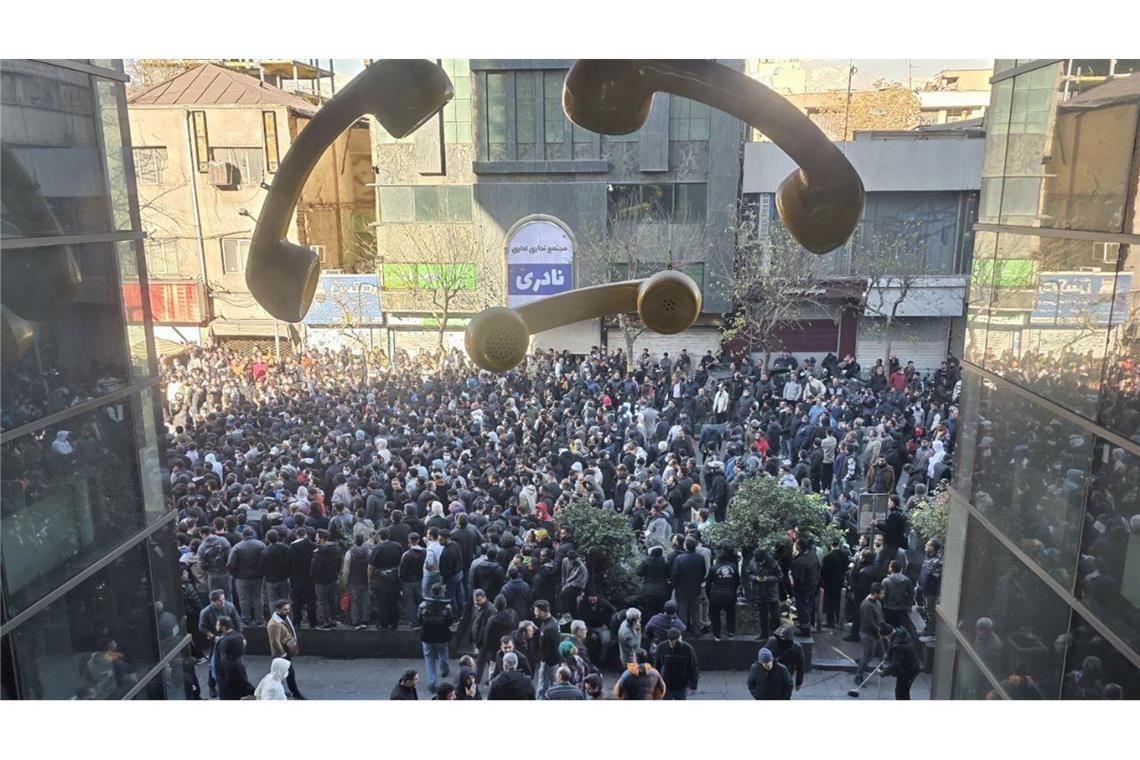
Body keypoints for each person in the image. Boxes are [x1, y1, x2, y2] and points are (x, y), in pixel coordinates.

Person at [198, 589, 242, 699]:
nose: (223, 602)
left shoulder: (229, 606)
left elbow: (237, 621)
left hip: (230, 637)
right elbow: (202, 627)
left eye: (223, 599)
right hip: (216, 639)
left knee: (235, 661)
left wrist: (240, 636)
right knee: (213, 663)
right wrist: (212, 636)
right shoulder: (206, 612)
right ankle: (212, 685)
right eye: (220, 601)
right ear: (213, 601)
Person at [417, 582, 454, 693]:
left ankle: (432, 681)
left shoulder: (423, 605)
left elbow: (419, 620)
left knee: (429, 659)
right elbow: (449, 621)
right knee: (443, 653)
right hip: (442, 636)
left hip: (427, 636)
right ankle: (444, 670)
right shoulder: (446, 606)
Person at [227, 527, 266, 627]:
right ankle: (259, 619)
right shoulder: (260, 545)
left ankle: (245, 619)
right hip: (258, 576)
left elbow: (230, 563)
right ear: (252, 534)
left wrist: (234, 573)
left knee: (244, 599)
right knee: (258, 597)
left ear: (242, 535)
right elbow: (265, 558)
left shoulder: (237, 547)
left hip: (241, 577)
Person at [266, 599, 304, 699]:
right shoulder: (274, 624)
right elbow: (275, 641)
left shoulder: (283, 617)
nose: (287, 611)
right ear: (278, 610)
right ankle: (296, 694)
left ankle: (280, 692)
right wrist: (283, 654)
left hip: (285, 650)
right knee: (288, 674)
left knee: (279, 675)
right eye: (284, 609)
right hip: (281, 653)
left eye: (288, 609)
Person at [670, 537, 706, 636]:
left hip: (682, 589)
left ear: (686, 546)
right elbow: (703, 572)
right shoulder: (700, 557)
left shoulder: (680, 558)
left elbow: (675, 574)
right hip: (695, 588)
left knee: (683, 612)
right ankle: (697, 631)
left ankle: (683, 633)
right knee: (695, 610)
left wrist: (674, 585)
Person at [214, 616, 254, 700]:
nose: (216, 626)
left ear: (223, 627)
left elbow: (221, 659)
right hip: (239, 667)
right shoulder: (239, 636)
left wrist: (220, 677)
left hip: (228, 672)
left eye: (218, 624)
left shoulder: (224, 641)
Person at [654, 627, 699, 699]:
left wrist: (694, 685)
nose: (678, 642)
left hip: (682, 685)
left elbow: (693, 667)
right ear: (669, 640)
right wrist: (656, 683)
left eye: (679, 639)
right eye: (676, 641)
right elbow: (657, 666)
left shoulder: (687, 648)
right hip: (667, 685)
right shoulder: (661, 647)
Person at [748, 548, 782, 641]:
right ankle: (764, 635)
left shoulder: (773, 563)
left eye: (761, 562)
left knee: (775, 616)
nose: (760, 564)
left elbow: (779, 577)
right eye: (758, 562)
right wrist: (755, 578)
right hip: (759, 593)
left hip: (771, 593)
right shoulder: (752, 562)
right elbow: (748, 574)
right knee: (762, 616)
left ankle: (779, 635)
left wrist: (767, 579)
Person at [706, 547, 740, 640]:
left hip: (716, 595)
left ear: (718, 557)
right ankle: (731, 632)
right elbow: (737, 581)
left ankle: (717, 634)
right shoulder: (734, 567)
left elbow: (708, 583)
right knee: (731, 614)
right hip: (730, 594)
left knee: (715, 615)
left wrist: (709, 595)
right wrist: (734, 592)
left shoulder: (713, 568)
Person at [310, 529, 341, 628]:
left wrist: (313, 577)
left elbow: (315, 568)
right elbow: (340, 563)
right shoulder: (336, 549)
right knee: (332, 601)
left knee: (323, 602)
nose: (315, 539)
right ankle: (333, 620)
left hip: (321, 581)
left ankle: (325, 622)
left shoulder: (319, 553)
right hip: (333, 579)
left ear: (322, 539)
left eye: (317, 537)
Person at [857, 583, 887, 685]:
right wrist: (878, 630)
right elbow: (868, 621)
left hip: (877, 633)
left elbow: (880, 617)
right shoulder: (866, 605)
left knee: (881, 653)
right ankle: (858, 676)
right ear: (875, 593)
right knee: (868, 656)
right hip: (868, 634)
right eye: (881, 593)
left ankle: (861, 664)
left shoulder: (877, 602)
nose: (883, 595)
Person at [881, 625, 921, 700]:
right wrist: (889, 653)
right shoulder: (901, 634)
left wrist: (884, 672)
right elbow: (893, 643)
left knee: (901, 693)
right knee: (904, 691)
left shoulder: (897, 646)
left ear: (888, 635)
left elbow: (896, 664)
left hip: (907, 670)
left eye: (885, 637)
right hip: (913, 666)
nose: (885, 639)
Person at [790, 538, 821, 635]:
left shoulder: (800, 562)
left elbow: (798, 579)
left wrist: (794, 589)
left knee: (802, 607)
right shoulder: (812, 554)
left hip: (803, 588)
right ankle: (808, 624)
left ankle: (805, 629)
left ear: (799, 546)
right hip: (812, 584)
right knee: (809, 605)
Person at [533, 599, 561, 698]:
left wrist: (545, 662)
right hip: (549, 661)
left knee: (547, 685)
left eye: (536, 611)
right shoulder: (549, 622)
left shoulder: (550, 627)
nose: (534, 613)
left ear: (542, 612)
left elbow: (554, 646)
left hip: (550, 662)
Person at [765, 625, 805, 693]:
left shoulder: (796, 648)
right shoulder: (772, 642)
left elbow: (800, 665)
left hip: (787, 672)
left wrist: (798, 682)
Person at [916, 538, 943, 637]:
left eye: (928, 545)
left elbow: (936, 578)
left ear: (933, 548)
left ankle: (930, 631)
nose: (925, 546)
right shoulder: (927, 558)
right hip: (923, 589)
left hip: (931, 591)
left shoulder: (938, 561)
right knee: (926, 610)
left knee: (931, 612)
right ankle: (927, 629)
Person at [819, 539, 849, 630]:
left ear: (831, 545)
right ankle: (838, 619)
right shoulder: (844, 555)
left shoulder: (828, 556)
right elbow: (846, 567)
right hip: (840, 581)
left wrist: (823, 579)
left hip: (830, 582)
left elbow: (823, 571)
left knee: (830, 602)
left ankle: (830, 621)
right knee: (839, 601)